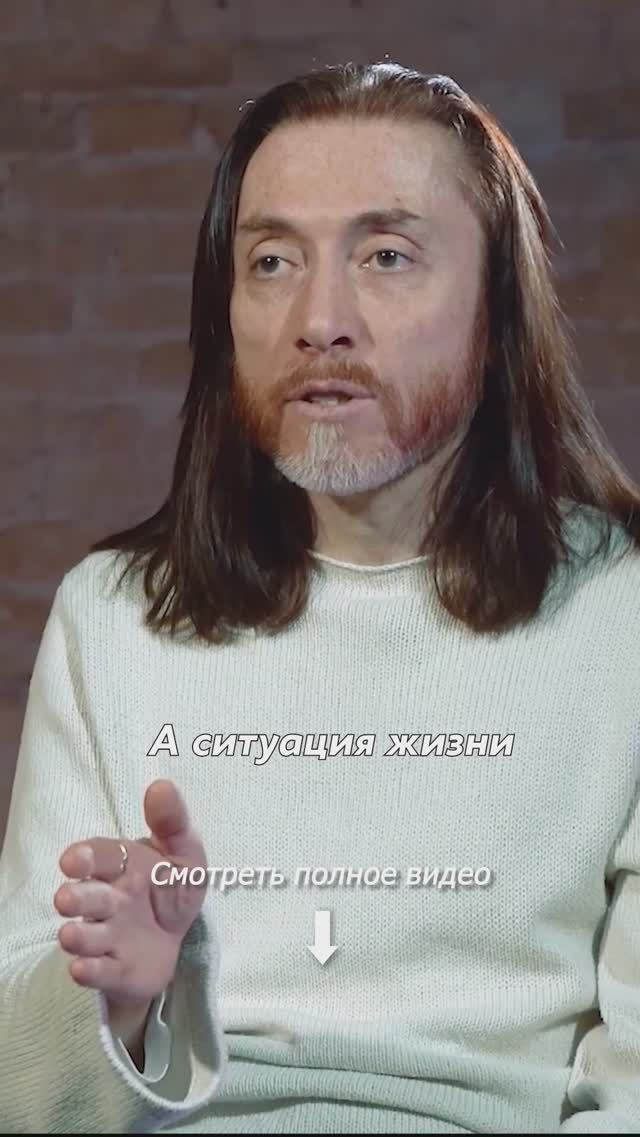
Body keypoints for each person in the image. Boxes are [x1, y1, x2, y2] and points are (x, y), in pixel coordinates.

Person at [0, 60, 639, 1135]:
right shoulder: (111, 617)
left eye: (386, 255)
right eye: (272, 261)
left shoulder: (619, 616)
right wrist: (118, 1005)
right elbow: (22, 1101)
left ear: (497, 312)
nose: (319, 319)